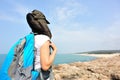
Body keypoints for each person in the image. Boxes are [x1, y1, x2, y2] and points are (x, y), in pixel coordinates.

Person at [26, 9, 57, 80]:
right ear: (42, 23)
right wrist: (55, 50)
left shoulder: (31, 38)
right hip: (41, 76)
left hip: (31, 74)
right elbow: (45, 66)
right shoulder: (44, 39)